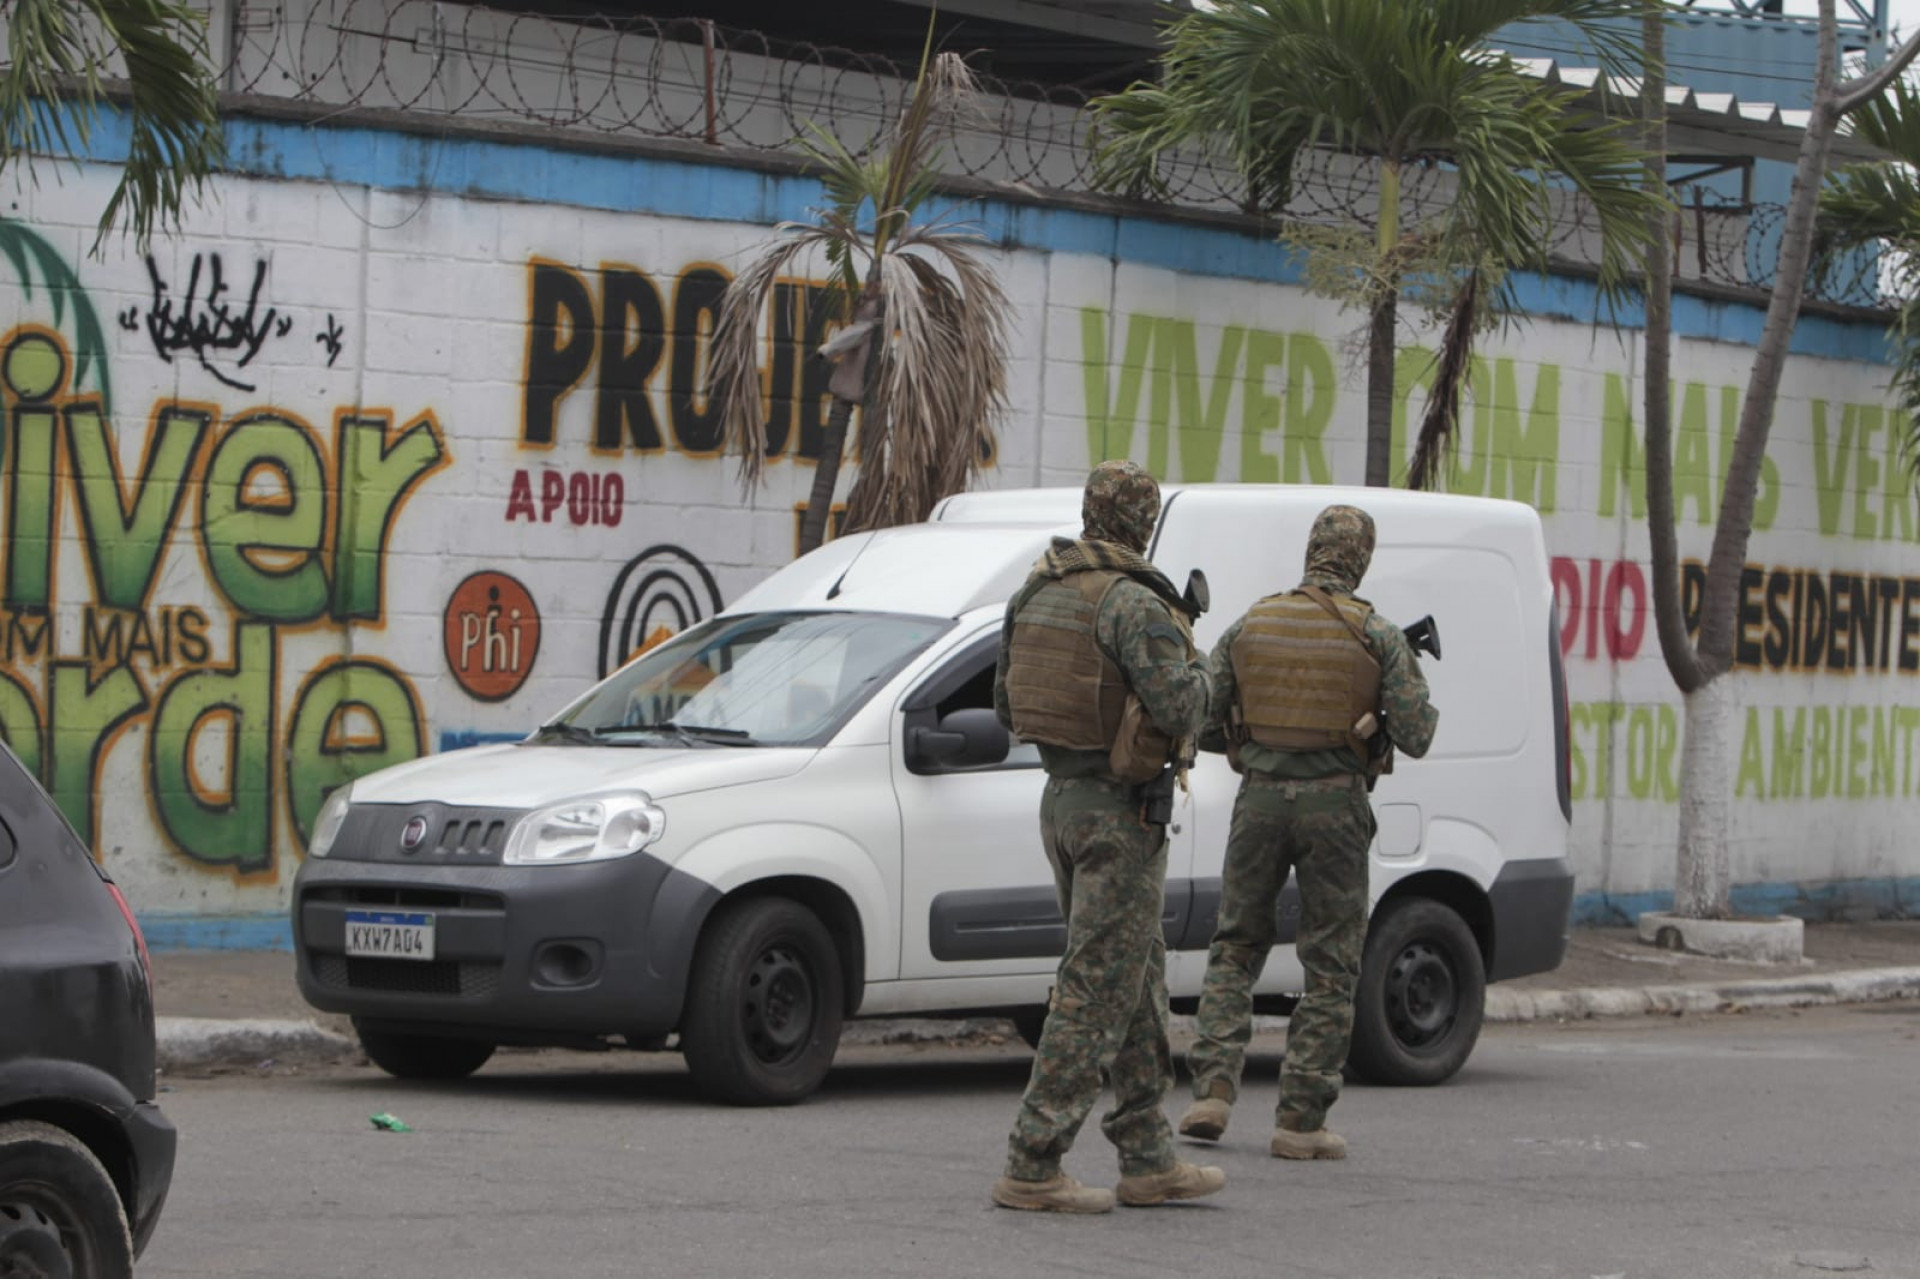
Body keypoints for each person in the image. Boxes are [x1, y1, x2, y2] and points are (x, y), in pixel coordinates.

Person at [989, 459, 1225, 1214]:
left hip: (1061, 800)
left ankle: (1149, 1155)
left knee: (1136, 975)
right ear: (1143, 521)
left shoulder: (1038, 589)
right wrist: (1208, 665)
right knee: (1097, 987)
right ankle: (1033, 1159)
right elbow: (1184, 705)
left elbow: (1003, 702)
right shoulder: (1131, 601)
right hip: (1119, 815)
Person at [1177, 504, 1438, 1160]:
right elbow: (1419, 733)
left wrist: (1254, 735)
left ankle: (1210, 1090)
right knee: (1330, 960)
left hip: (1259, 803)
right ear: (1361, 558)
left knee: (1235, 944)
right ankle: (1300, 1120)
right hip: (1336, 811)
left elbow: (1202, 722)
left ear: (1312, 549)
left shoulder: (1251, 622)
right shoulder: (1375, 633)